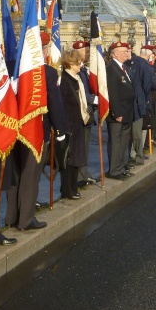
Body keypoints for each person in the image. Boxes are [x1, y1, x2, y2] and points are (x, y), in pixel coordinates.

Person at [6, 32, 67, 226]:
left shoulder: (11, 67)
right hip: (36, 131)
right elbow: (55, 104)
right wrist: (61, 130)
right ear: (45, 48)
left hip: (12, 129)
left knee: (15, 173)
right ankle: (25, 219)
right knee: (30, 175)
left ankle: (11, 217)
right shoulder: (46, 72)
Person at [60, 49, 93, 198]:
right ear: (71, 63)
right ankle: (67, 189)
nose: (81, 65)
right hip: (69, 125)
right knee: (69, 159)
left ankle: (73, 187)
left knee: (76, 158)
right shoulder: (65, 80)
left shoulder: (77, 78)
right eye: (78, 62)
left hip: (78, 122)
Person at [105, 42, 135, 180]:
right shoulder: (111, 68)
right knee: (116, 142)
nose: (126, 54)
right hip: (118, 113)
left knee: (124, 142)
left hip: (127, 111)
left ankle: (122, 167)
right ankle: (114, 170)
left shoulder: (124, 67)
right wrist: (116, 113)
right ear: (115, 53)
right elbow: (113, 93)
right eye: (123, 51)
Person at [71, 40, 98, 188]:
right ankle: (79, 176)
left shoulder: (85, 70)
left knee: (85, 147)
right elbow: (80, 93)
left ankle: (83, 173)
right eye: (85, 51)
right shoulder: (75, 71)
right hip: (81, 114)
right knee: (80, 147)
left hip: (88, 113)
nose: (88, 53)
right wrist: (95, 99)